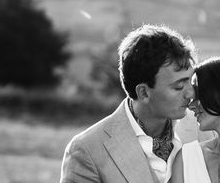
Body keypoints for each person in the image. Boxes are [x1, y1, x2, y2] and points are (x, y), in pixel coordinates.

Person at [60, 24, 205, 183]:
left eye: (190, 82)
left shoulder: (205, 131)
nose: (191, 93)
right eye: (178, 87)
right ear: (143, 92)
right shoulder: (87, 151)